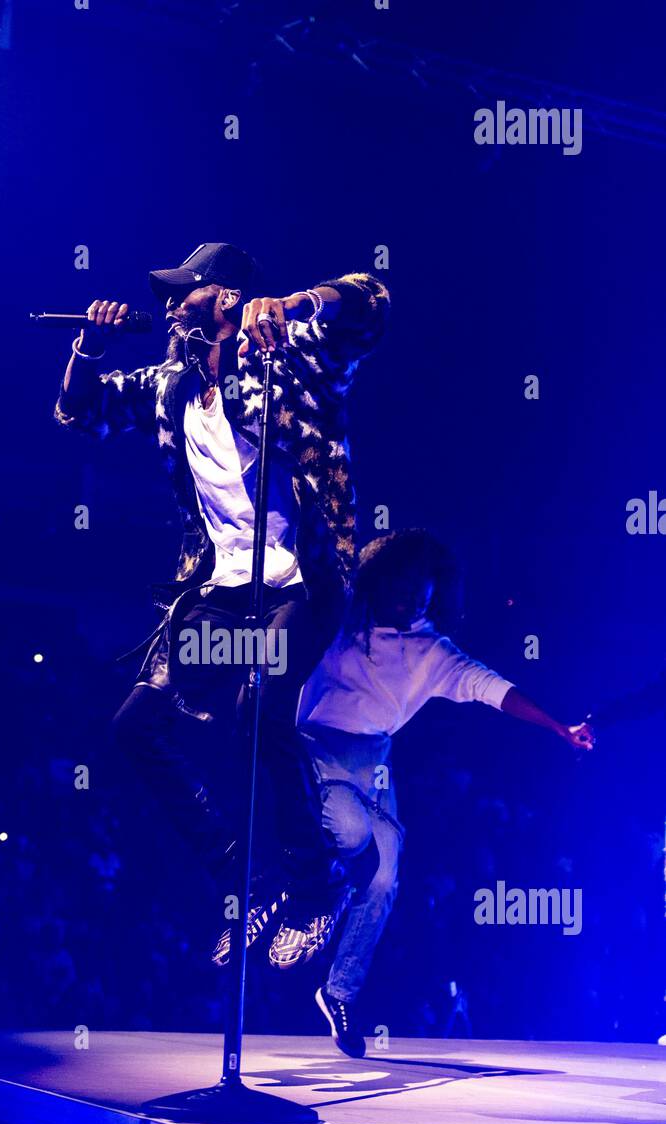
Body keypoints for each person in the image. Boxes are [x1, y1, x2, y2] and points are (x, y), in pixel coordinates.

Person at [54, 242, 390, 944]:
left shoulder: (288, 353)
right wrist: (90, 346)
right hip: (225, 591)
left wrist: (298, 303)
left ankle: (315, 883)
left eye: (186, 292)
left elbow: (372, 300)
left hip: (303, 581)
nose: (171, 305)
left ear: (228, 298)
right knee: (134, 727)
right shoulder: (170, 384)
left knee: (260, 703)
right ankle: (245, 878)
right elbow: (80, 413)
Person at [281, 529, 595, 1056]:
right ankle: (299, 892)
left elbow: (493, 689)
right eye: (401, 595)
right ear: (378, 582)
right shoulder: (342, 616)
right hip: (316, 746)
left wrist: (558, 727)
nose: (408, 608)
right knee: (352, 833)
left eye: (421, 601)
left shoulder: (433, 651)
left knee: (384, 880)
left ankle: (338, 992)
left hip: (374, 762)